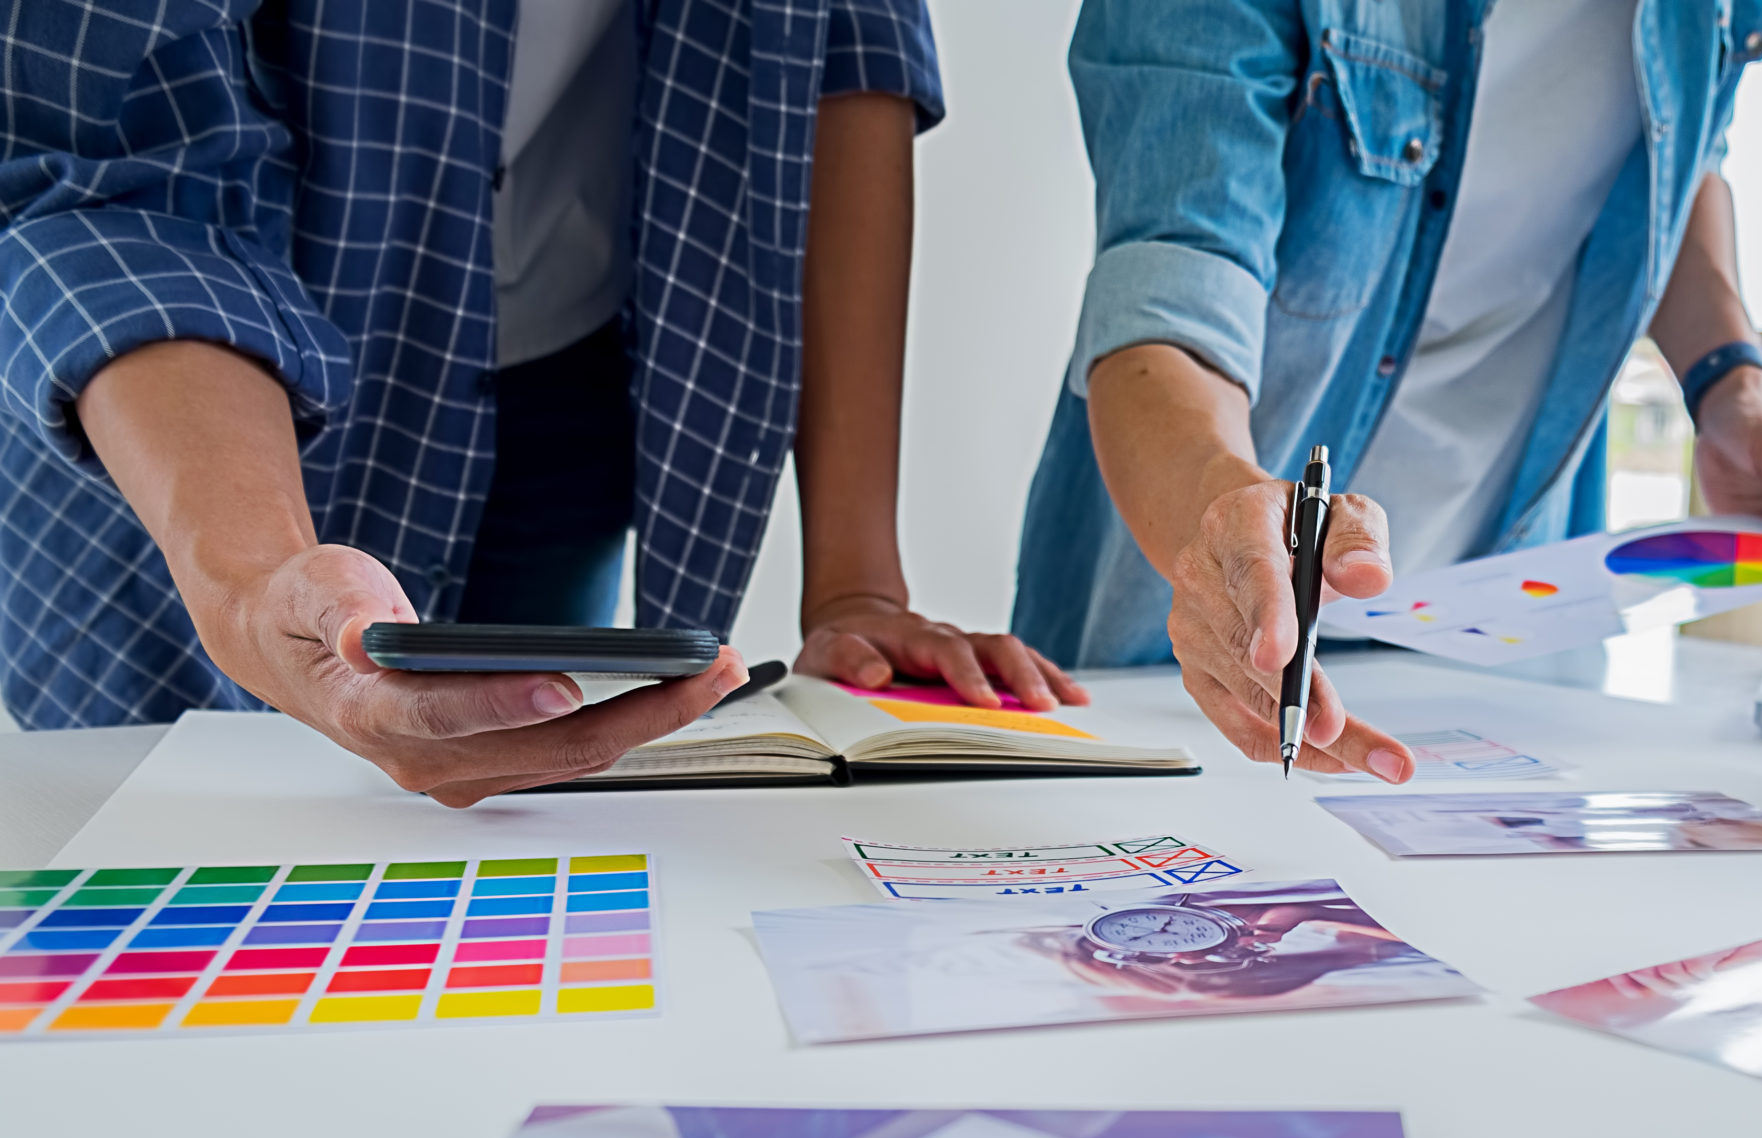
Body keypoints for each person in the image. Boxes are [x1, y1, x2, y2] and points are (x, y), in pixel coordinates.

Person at [0, 0, 1082, 804]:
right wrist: (248, 580)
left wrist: (854, 585)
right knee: (193, 875)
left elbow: (837, 51)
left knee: (499, 834)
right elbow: (100, 171)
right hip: (179, 418)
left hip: (572, 392)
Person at [1011, 0, 1762, 781]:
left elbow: (1683, 163)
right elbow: (1173, 285)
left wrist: (1729, 382)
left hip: (1516, 638)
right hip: (1203, 629)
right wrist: (1219, 505)